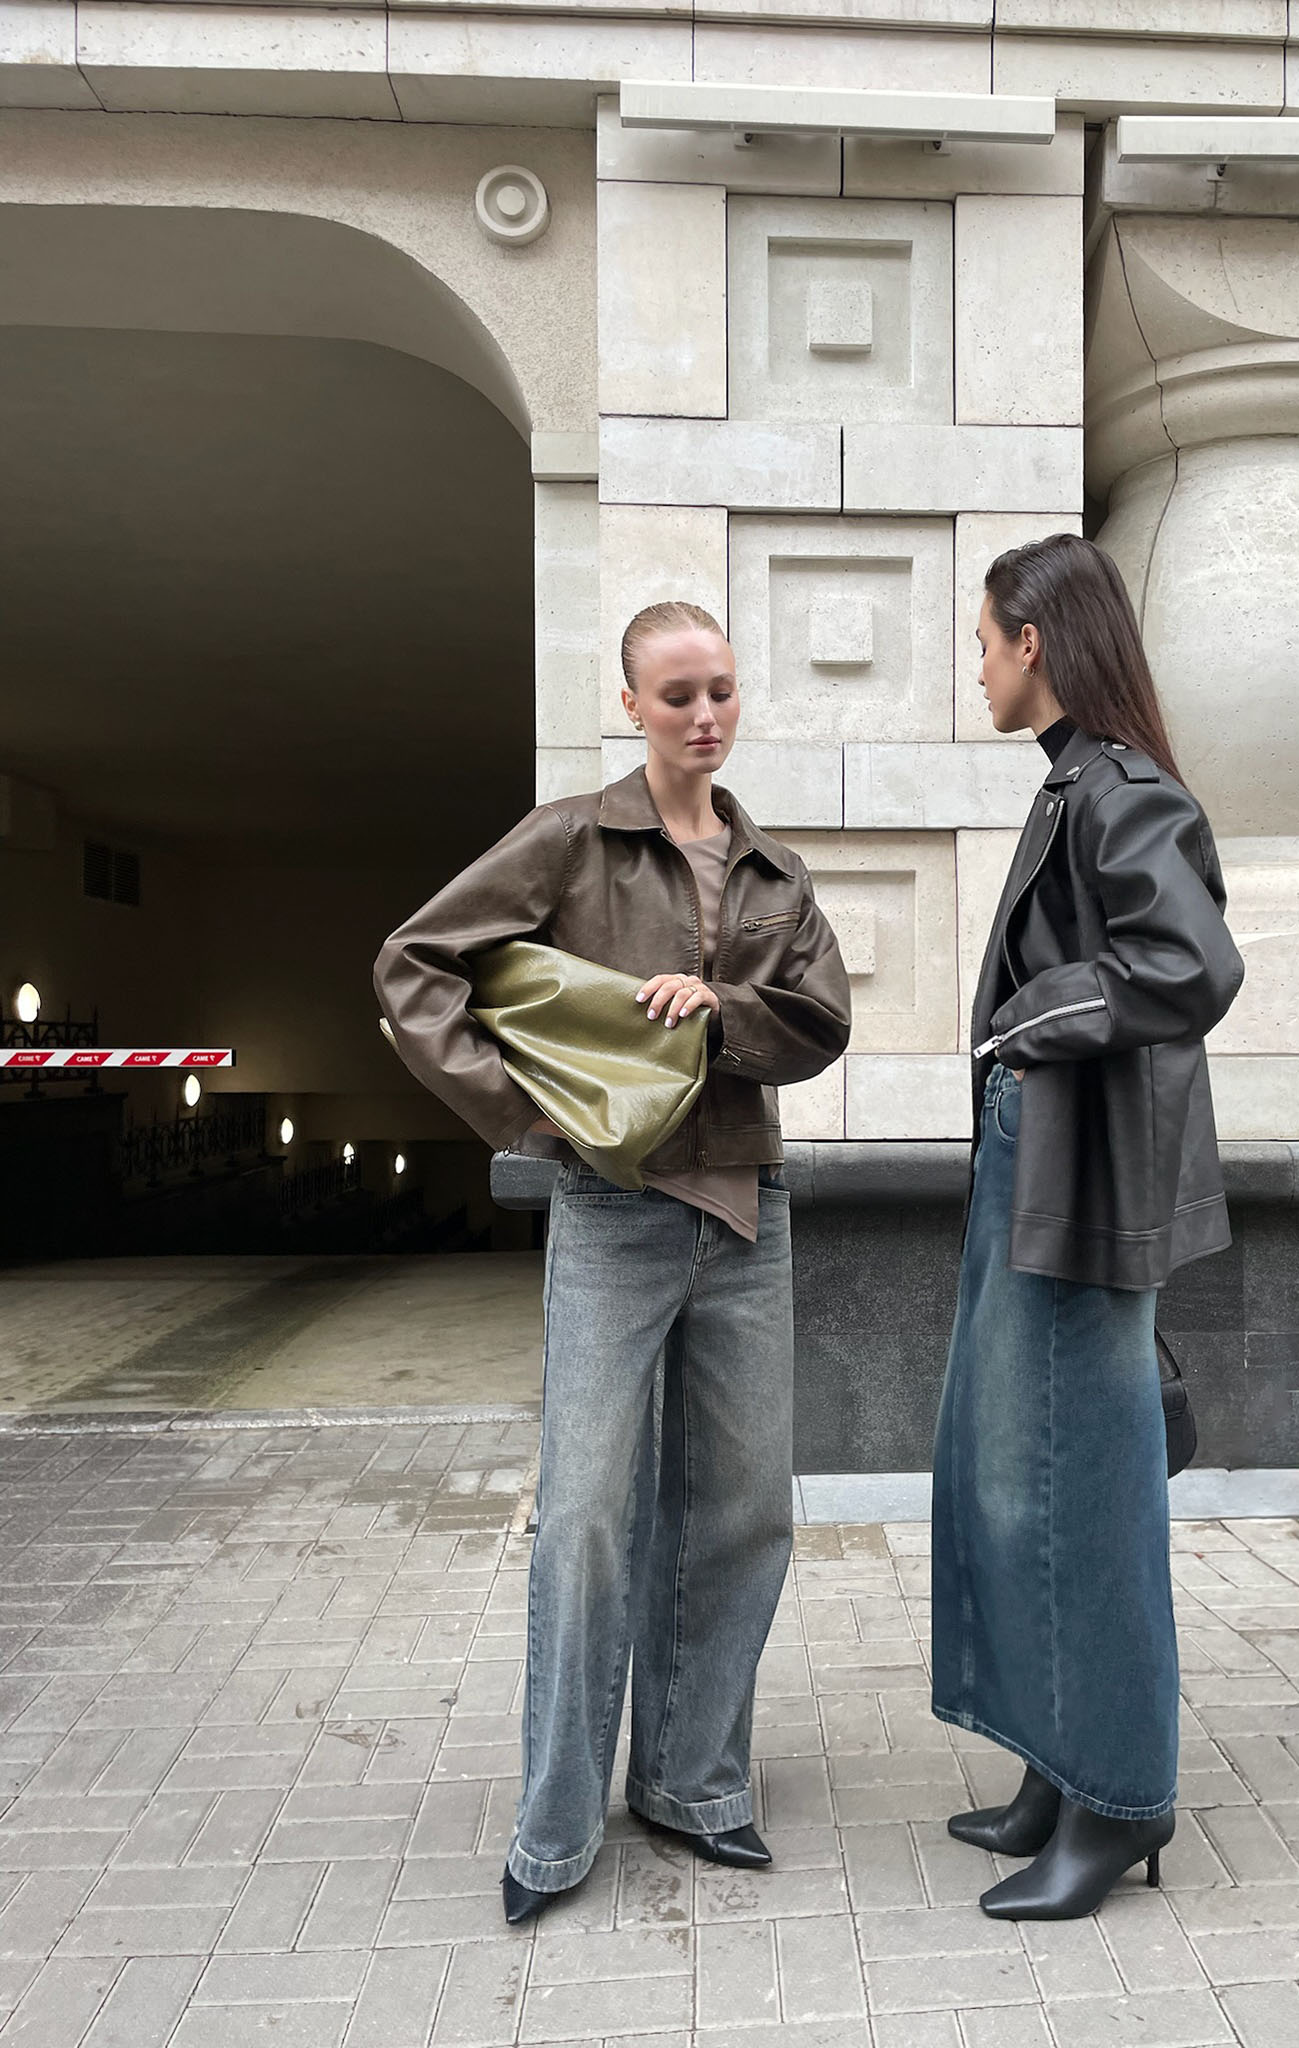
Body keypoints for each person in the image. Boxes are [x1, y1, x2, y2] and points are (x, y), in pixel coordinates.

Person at [374, 601, 851, 1923]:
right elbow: (414, 966)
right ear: (632, 703)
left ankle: (695, 1784)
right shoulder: (571, 839)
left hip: (747, 1214)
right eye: (678, 693)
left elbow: (821, 1021)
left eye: (723, 690)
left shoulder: (773, 871)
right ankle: (556, 1826)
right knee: (584, 1517)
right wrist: (524, 1112)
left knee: (743, 1513)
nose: (705, 715)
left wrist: (723, 1010)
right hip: (611, 1212)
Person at [932, 534, 1245, 1921]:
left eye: (985, 640)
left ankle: (1119, 1800)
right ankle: (1063, 1768)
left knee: (1084, 1491)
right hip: (1043, 1167)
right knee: (1014, 1475)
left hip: (1082, 1183)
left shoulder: (1125, 790)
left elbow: (1189, 963)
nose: (978, 666)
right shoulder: (1076, 783)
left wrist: (1024, 1023)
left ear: (1035, 641)